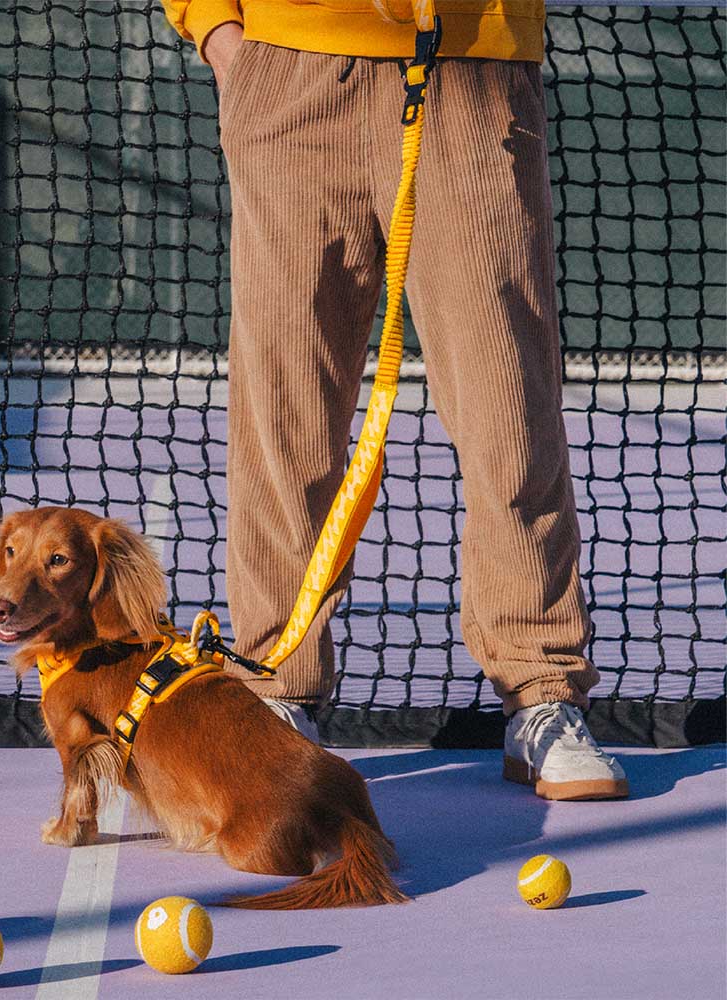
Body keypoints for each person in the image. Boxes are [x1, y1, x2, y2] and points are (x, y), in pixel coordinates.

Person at [161, 0, 629, 801]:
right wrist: (218, 31)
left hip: (472, 74)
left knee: (506, 404)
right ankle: (280, 681)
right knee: (284, 408)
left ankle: (541, 692)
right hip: (289, 76)